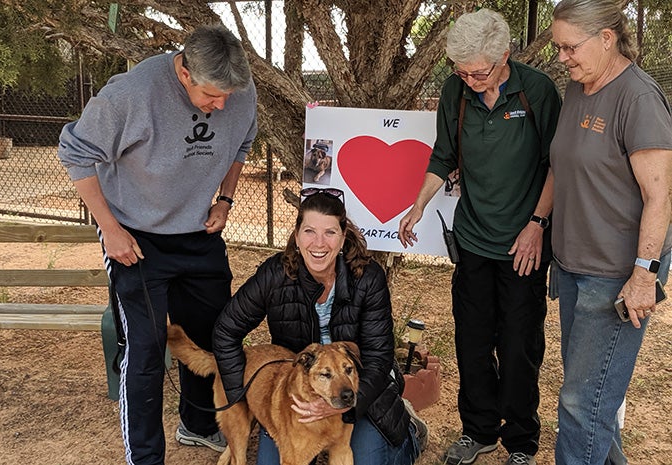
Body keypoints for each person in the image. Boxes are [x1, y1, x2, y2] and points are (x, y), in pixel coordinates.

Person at [57, 24, 258, 465]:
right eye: (212, 95)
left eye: (227, 95)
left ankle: (199, 425)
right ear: (184, 72)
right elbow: (74, 152)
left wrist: (225, 199)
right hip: (135, 235)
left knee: (213, 337)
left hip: (198, 232)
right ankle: (145, 457)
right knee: (146, 349)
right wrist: (109, 228)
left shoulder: (238, 91)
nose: (221, 105)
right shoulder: (130, 94)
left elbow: (242, 142)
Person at [397, 8, 561, 465]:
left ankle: (522, 443)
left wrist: (537, 225)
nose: (468, 79)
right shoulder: (457, 91)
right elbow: (443, 154)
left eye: (478, 71)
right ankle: (479, 431)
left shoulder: (537, 91)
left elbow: (557, 165)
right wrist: (418, 205)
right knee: (472, 343)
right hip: (472, 242)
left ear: (505, 56)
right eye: (461, 71)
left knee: (518, 348)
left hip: (523, 245)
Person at [213, 188, 427, 465]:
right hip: (302, 386)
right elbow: (225, 331)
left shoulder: (368, 277)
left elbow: (377, 358)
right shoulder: (275, 274)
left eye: (330, 233)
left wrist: (346, 405)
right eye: (310, 231)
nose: (319, 243)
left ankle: (412, 431)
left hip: (360, 390)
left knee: (368, 460)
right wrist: (239, 398)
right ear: (297, 236)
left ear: (342, 238)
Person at [550, 1, 672, 463]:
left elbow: (661, 196)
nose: (563, 57)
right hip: (574, 266)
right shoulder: (579, 87)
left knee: (582, 405)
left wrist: (645, 274)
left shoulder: (638, 98)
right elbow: (561, 166)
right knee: (592, 397)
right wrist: (539, 221)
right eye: (559, 47)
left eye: (569, 47)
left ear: (606, 38)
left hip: (615, 277)